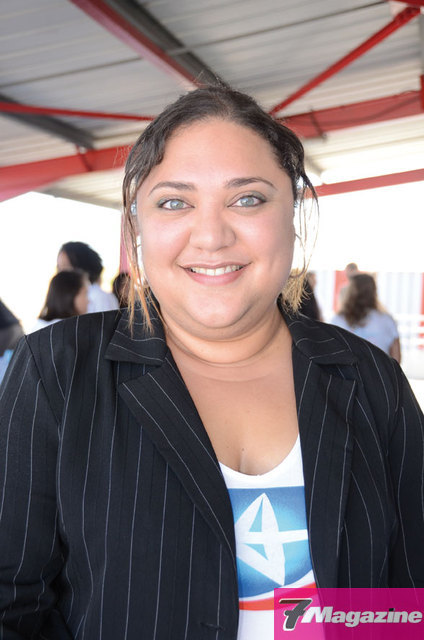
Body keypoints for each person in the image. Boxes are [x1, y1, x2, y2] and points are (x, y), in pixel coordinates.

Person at [0, 86, 423, 640]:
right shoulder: (58, 369)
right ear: (138, 225)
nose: (212, 236)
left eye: (247, 199)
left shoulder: (369, 379)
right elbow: (11, 603)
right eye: (175, 202)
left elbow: (407, 601)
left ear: (292, 215)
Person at [331, 272, 401, 362]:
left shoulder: (338, 320)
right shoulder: (387, 320)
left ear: (350, 292)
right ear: (374, 291)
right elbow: (396, 359)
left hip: (347, 371)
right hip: (379, 370)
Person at [57, 241, 119, 313]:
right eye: (59, 268)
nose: (61, 274)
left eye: (66, 266)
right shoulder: (64, 299)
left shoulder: (100, 298)